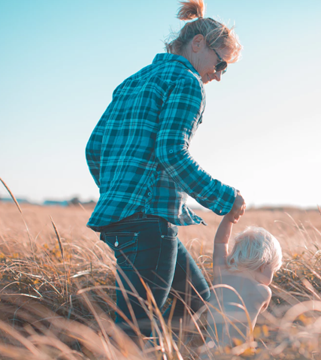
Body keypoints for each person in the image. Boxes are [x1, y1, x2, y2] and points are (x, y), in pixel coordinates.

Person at [84, 0, 245, 343]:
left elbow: (93, 149)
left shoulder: (133, 81)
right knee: (131, 335)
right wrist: (224, 197)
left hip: (124, 217)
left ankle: (161, 347)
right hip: (149, 223)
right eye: (222, 65)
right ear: (198, 44)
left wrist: (118, 192)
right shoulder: (188, 82)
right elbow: (171, 152)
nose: (218, 75)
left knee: (198, 301)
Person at [204, 214, 283, 349]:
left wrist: (229, 219)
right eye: (273, 270)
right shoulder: (264, 292)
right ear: (263, 265)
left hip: (208, 353)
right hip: (236, 354)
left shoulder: (222, 275)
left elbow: (220, 242)